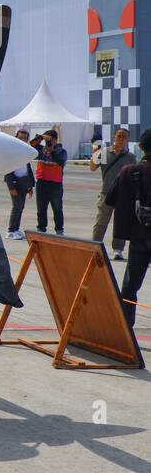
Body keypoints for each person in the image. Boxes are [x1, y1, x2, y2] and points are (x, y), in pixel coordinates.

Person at [105, 129, 151, 327]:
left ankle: (125, 326)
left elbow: (111, 199)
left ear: (140, 147)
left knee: (131, 285)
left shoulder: (128, 172)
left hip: (139, 237)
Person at [92, 128, 134, 260]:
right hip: (106, 193)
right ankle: (95, 246)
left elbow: (133, 175)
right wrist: (95, 153)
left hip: (123, 195)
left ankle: (118, 249)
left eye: (124, 137)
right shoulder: (104, 153)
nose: (121, 139)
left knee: (120, 223)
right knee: (101, 222)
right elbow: (93, 168)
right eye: (119, 136)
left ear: (128, 140)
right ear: (114, 137)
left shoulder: (131, 157)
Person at [33, 128, 68, 234]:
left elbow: (60, 161)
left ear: (55, 140)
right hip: (42, 182)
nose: (48, 143)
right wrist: (39, 138)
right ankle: (41, 228)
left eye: (50, 140)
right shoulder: (41, 149)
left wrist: (51, 149)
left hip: (55, 184)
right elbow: (32, 145)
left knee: (57, 208)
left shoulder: (61, 151)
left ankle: (59, 229)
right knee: (41, 208)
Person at [3, 129, 35, 240]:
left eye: (25, 138)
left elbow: (28, 169)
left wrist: (30, 186)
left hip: (24, 183)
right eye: (20, 138)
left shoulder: (25, 150)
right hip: (15, 183)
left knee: (20, 207)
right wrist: (11, 187)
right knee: (16, 207)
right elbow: (7, 170)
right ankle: (11, 231)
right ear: (16, 137)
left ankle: (16, 229)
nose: (23, 140)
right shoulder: (11, 151)